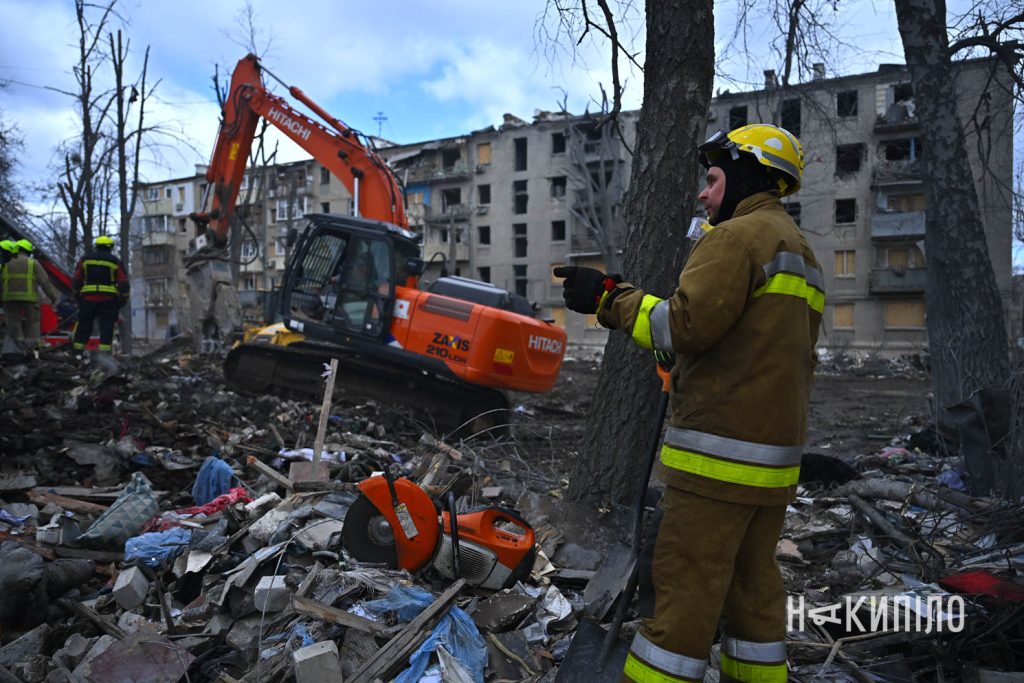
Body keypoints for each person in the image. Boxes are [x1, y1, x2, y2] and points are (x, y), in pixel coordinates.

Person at [554, 124, 822, 683]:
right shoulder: (803, 254)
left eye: (714, 179)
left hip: (717, 462)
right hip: (773, 465)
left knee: (686, 590)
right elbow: (756, 348)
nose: (704, 194)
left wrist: (608, 297)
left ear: (748, 173)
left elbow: (679, 324)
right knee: (754, 592)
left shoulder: (734, 240)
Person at [72, 235, 129, 355]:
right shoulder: (115, 261)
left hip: (88, 298)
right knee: (107, 327)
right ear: (110, 247)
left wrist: (76, 294)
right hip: (108, 300)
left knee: (84, 325)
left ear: (96, 246)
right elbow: (123, 281)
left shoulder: (86, 259)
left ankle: (77, 353)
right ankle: (105, 356)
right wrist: (124, 297)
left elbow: (77, 277)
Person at [1, 238, 60, 353]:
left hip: (9, 299)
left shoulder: (5, 264)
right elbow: (44, 282)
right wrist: (53, 298)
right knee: (32, 324)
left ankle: (16, 349)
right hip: (30, 299)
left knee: (14, 324)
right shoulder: (32, 263)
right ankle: (32, 350)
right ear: (28, 251)